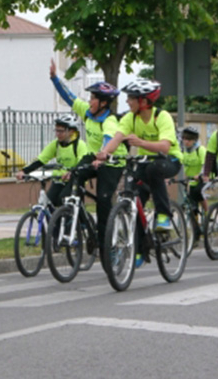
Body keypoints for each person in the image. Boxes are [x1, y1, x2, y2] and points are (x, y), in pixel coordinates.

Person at [48, 60, 125, 249]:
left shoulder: (109, 120)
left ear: (104, 103)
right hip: (93, 156)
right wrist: (55, 79)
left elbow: (108, 139)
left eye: (93, 98)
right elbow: (70, 98)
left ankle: (103, 241)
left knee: (103, 200)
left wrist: (103, 155)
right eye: (90, 98)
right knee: (74, 177)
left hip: (112, 161)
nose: (89, 101)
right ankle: (78, 216)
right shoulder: (89, 114)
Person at [98, 80, 183, 232]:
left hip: (169, 160)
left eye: (131, 98)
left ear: (143, 101)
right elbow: (117, 138)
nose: (127, 101)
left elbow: (164, 147)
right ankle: (138, 253)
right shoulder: (130, 118)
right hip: (144, 162)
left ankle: (164, 216)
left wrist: (141, 143)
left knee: (154, 169)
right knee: (134, 200)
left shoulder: (161, 117)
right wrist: (104, 153)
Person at [15, 114, 90, 208]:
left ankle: (77, 221)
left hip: (74, 180)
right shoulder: (56, 144)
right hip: (59, 179)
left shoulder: (80, 145)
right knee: (49, 202)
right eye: (56, 130)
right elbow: (41, 159)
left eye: (61, 131)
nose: (57, 134)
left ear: (71, 131)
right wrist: (24, 171)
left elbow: (82, 162)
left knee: (63, 199)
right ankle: (55, 222)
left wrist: (71, 172)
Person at [180, 126, 207, 213]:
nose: (186, 142)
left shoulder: (200, 150)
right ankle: (195, 224)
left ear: (195, 140)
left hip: (203, 179)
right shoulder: (182, 151)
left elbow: (206, 164)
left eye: (189, 139)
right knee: (191, 203)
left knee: (199, 193)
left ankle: (207, 214)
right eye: (184, 139)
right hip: (191, 180)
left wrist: (200, 174)